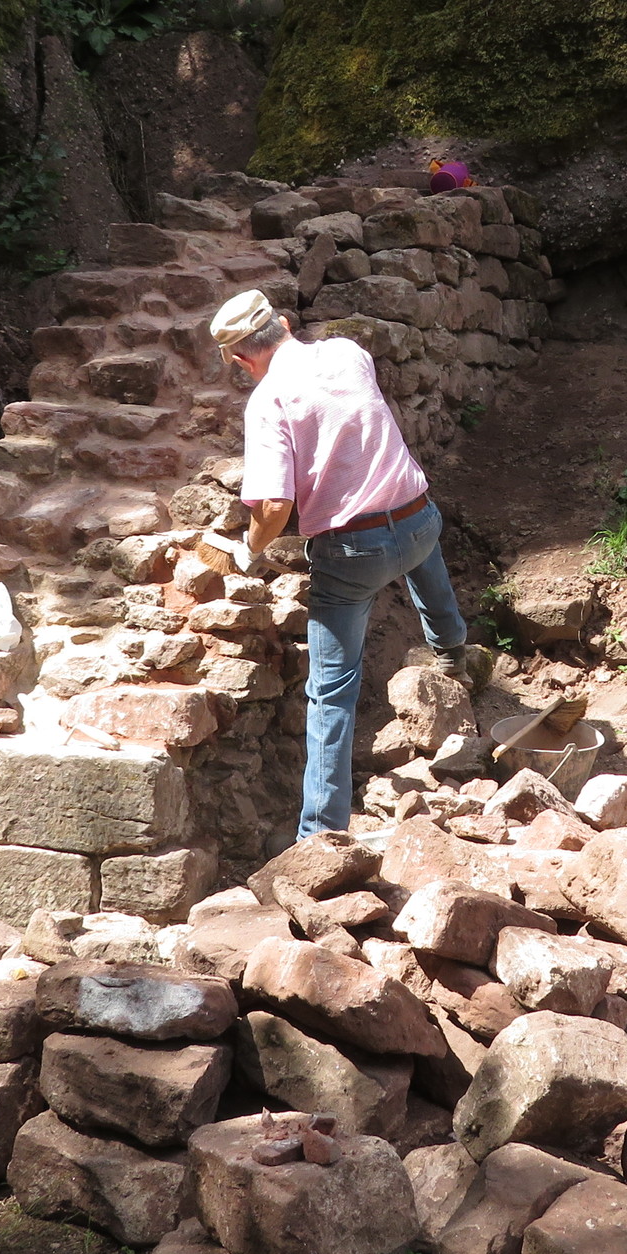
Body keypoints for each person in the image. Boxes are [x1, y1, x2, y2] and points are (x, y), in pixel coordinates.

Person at [211, 288, 485, 840]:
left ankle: (319, 834)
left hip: (353, 552)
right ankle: (453, 655)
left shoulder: (268, 401)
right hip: (418, 520)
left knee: (331, 692)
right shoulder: (346, 352)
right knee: (422, 560)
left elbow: (274, 506)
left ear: (240, 358)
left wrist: (250, 548)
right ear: (284, 324)